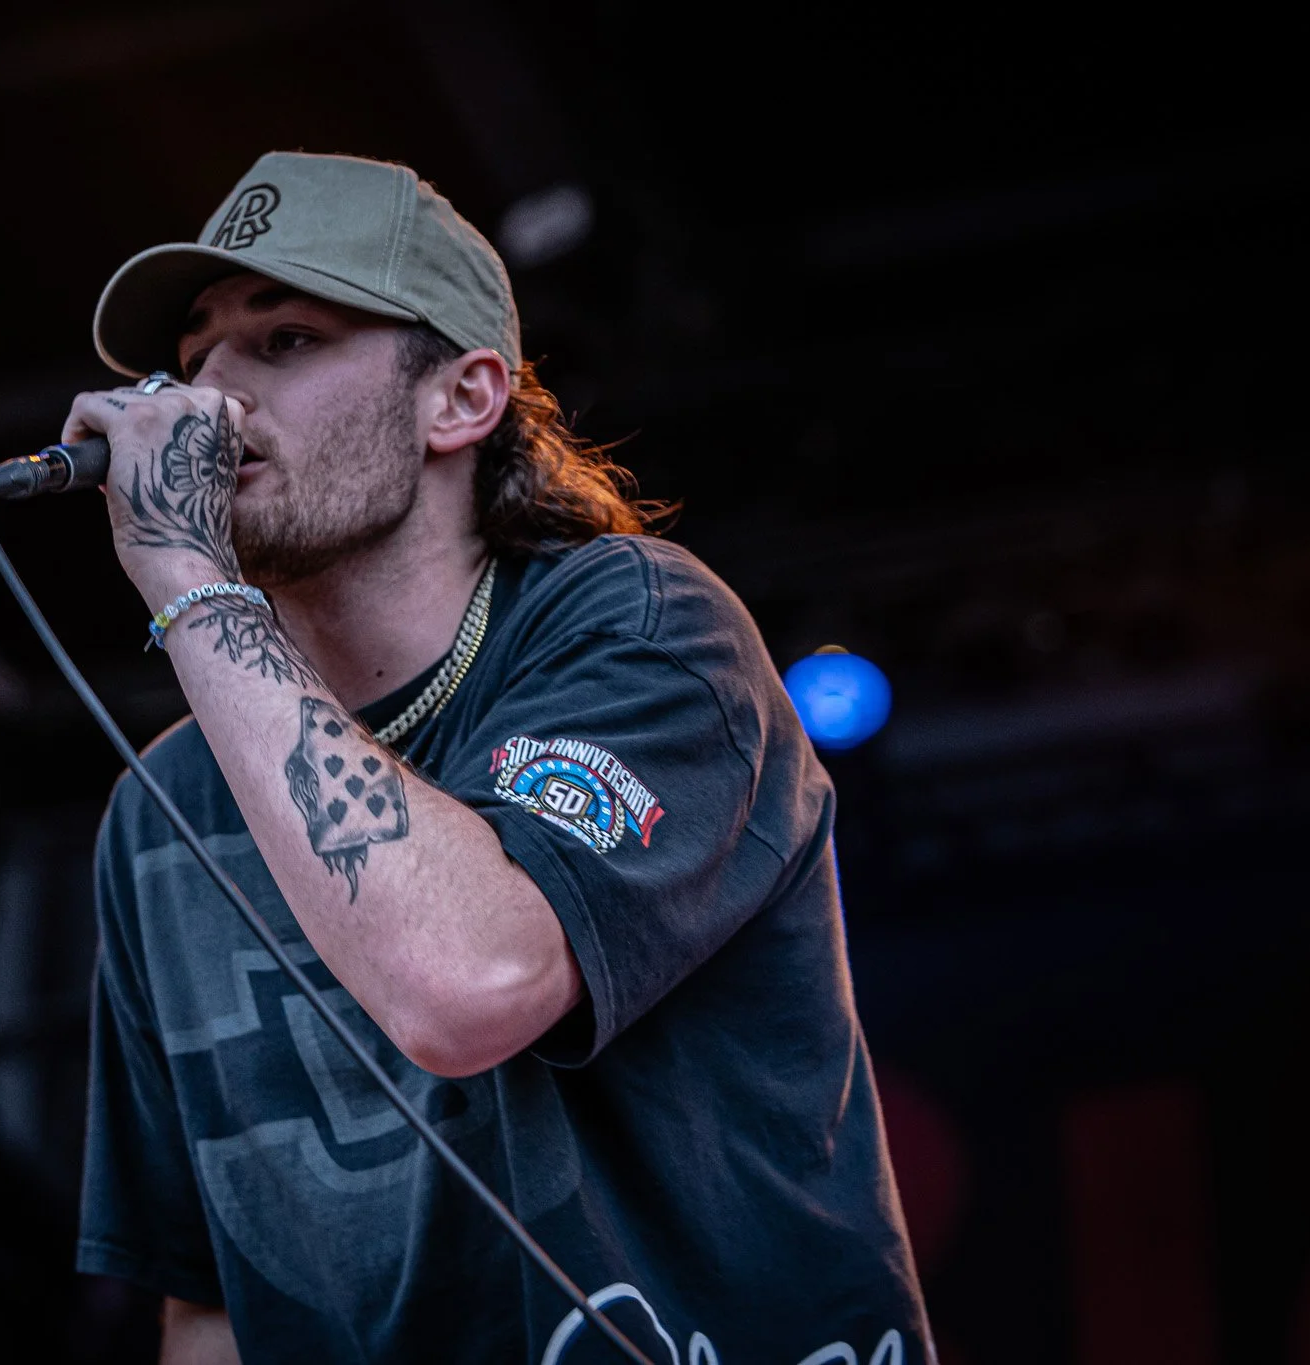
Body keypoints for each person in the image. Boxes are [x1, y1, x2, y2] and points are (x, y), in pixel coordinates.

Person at [67, 151, 933, 1365]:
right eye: (194, 354)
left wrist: (186, 578)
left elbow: (467, 983)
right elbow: (207, 1299)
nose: (210, 398)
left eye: (285, 340)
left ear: (461, 399)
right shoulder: (160, 813)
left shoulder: (644, 630)